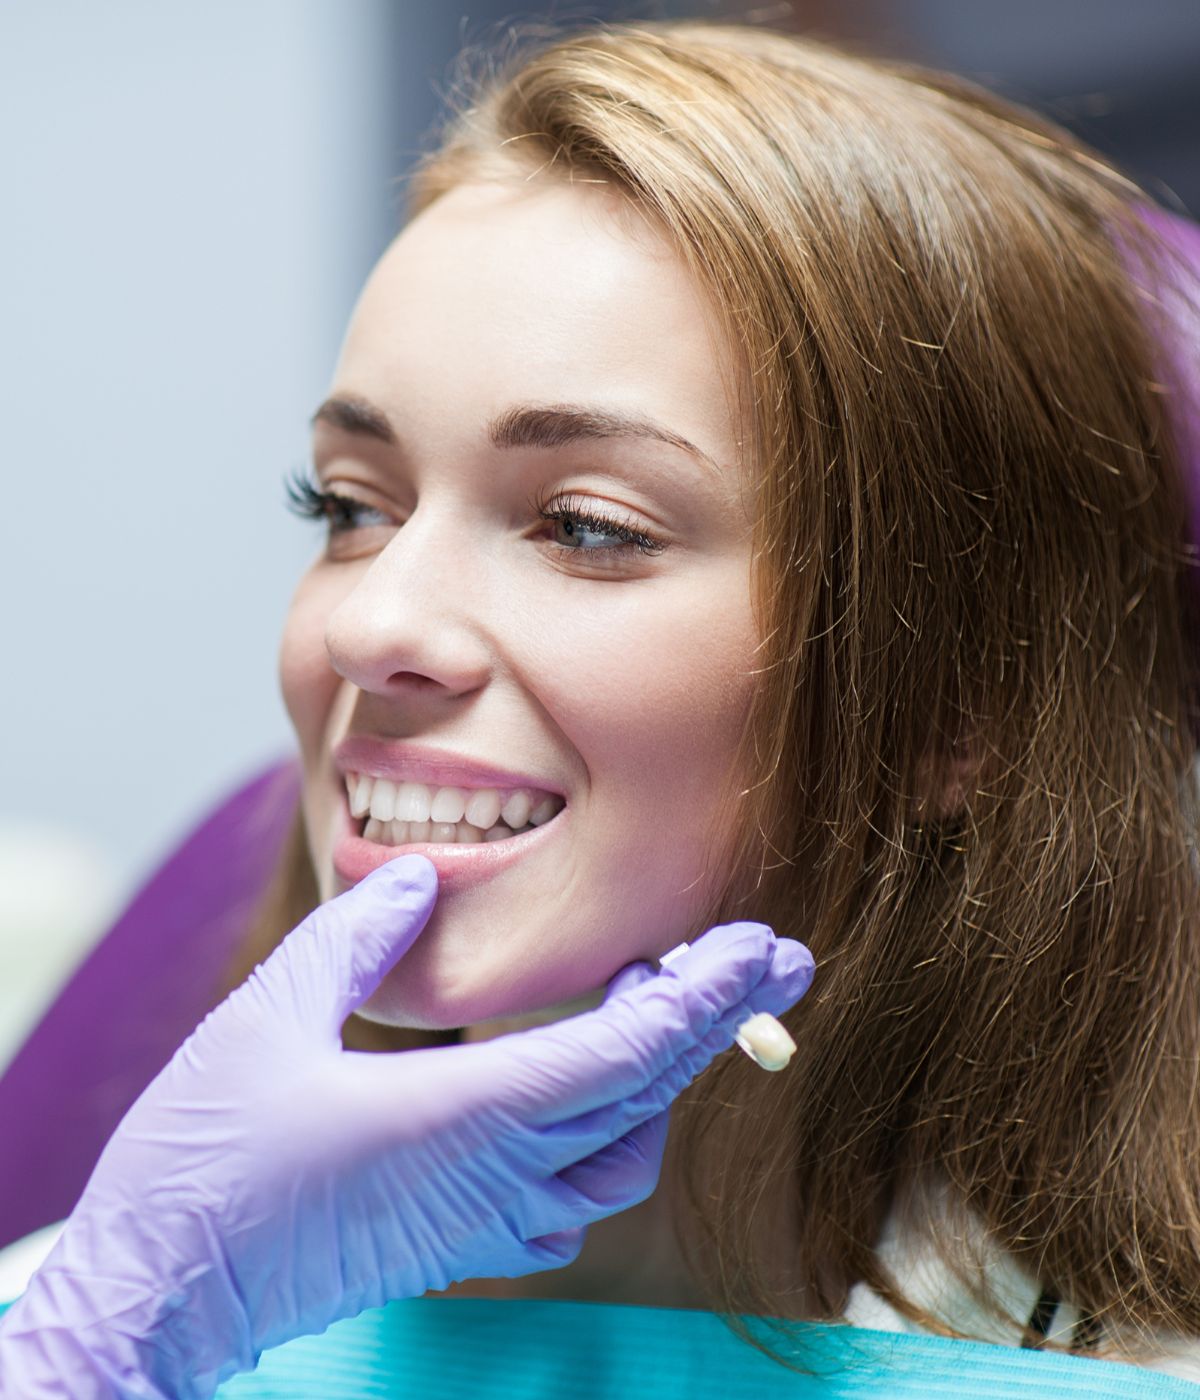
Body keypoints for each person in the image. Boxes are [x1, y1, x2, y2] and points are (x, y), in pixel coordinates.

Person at [3, 16, 1200, 1396]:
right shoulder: (109, 1310)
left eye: (584, 526)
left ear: (960, 711)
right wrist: (119, 1333)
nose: (372, 623)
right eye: (347, 506)